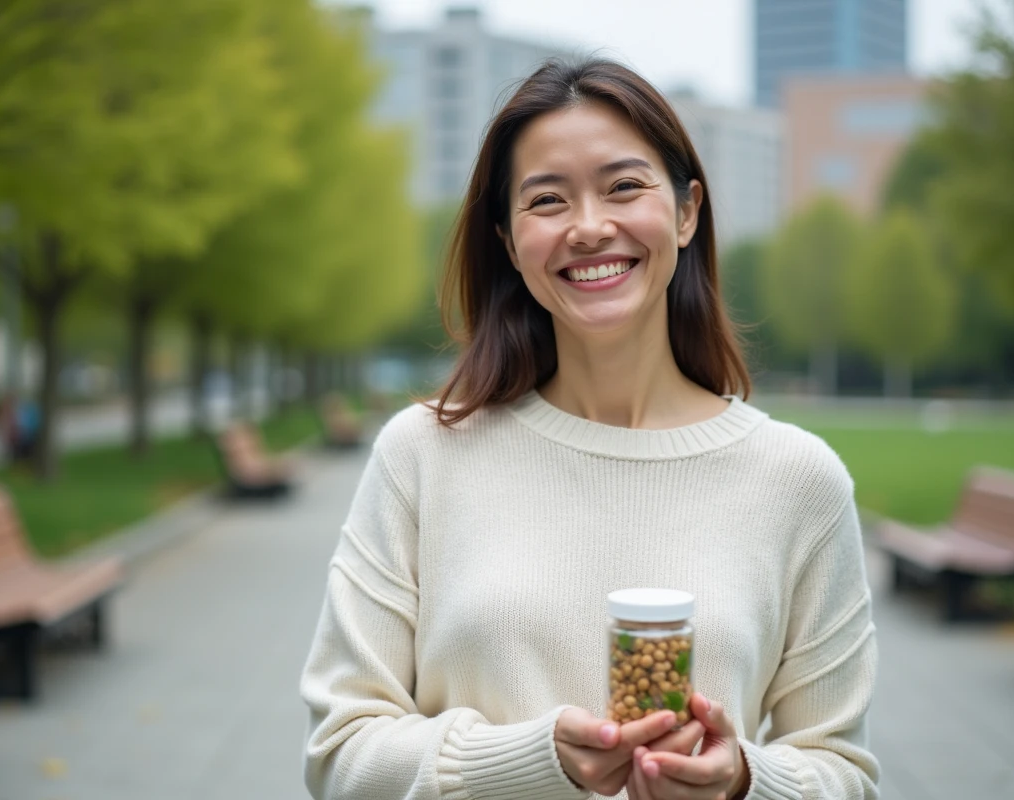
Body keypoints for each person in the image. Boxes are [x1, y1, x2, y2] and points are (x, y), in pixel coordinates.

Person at [300, 59, 878, 800]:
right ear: (509, 241)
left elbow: (845, 773)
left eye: (624, 186)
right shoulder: (423, 454)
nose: (590, 227)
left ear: (686, 211)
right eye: (547, 200)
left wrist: (742, 781)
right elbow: (339, 754)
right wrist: (533, 762)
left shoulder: (799, 480)